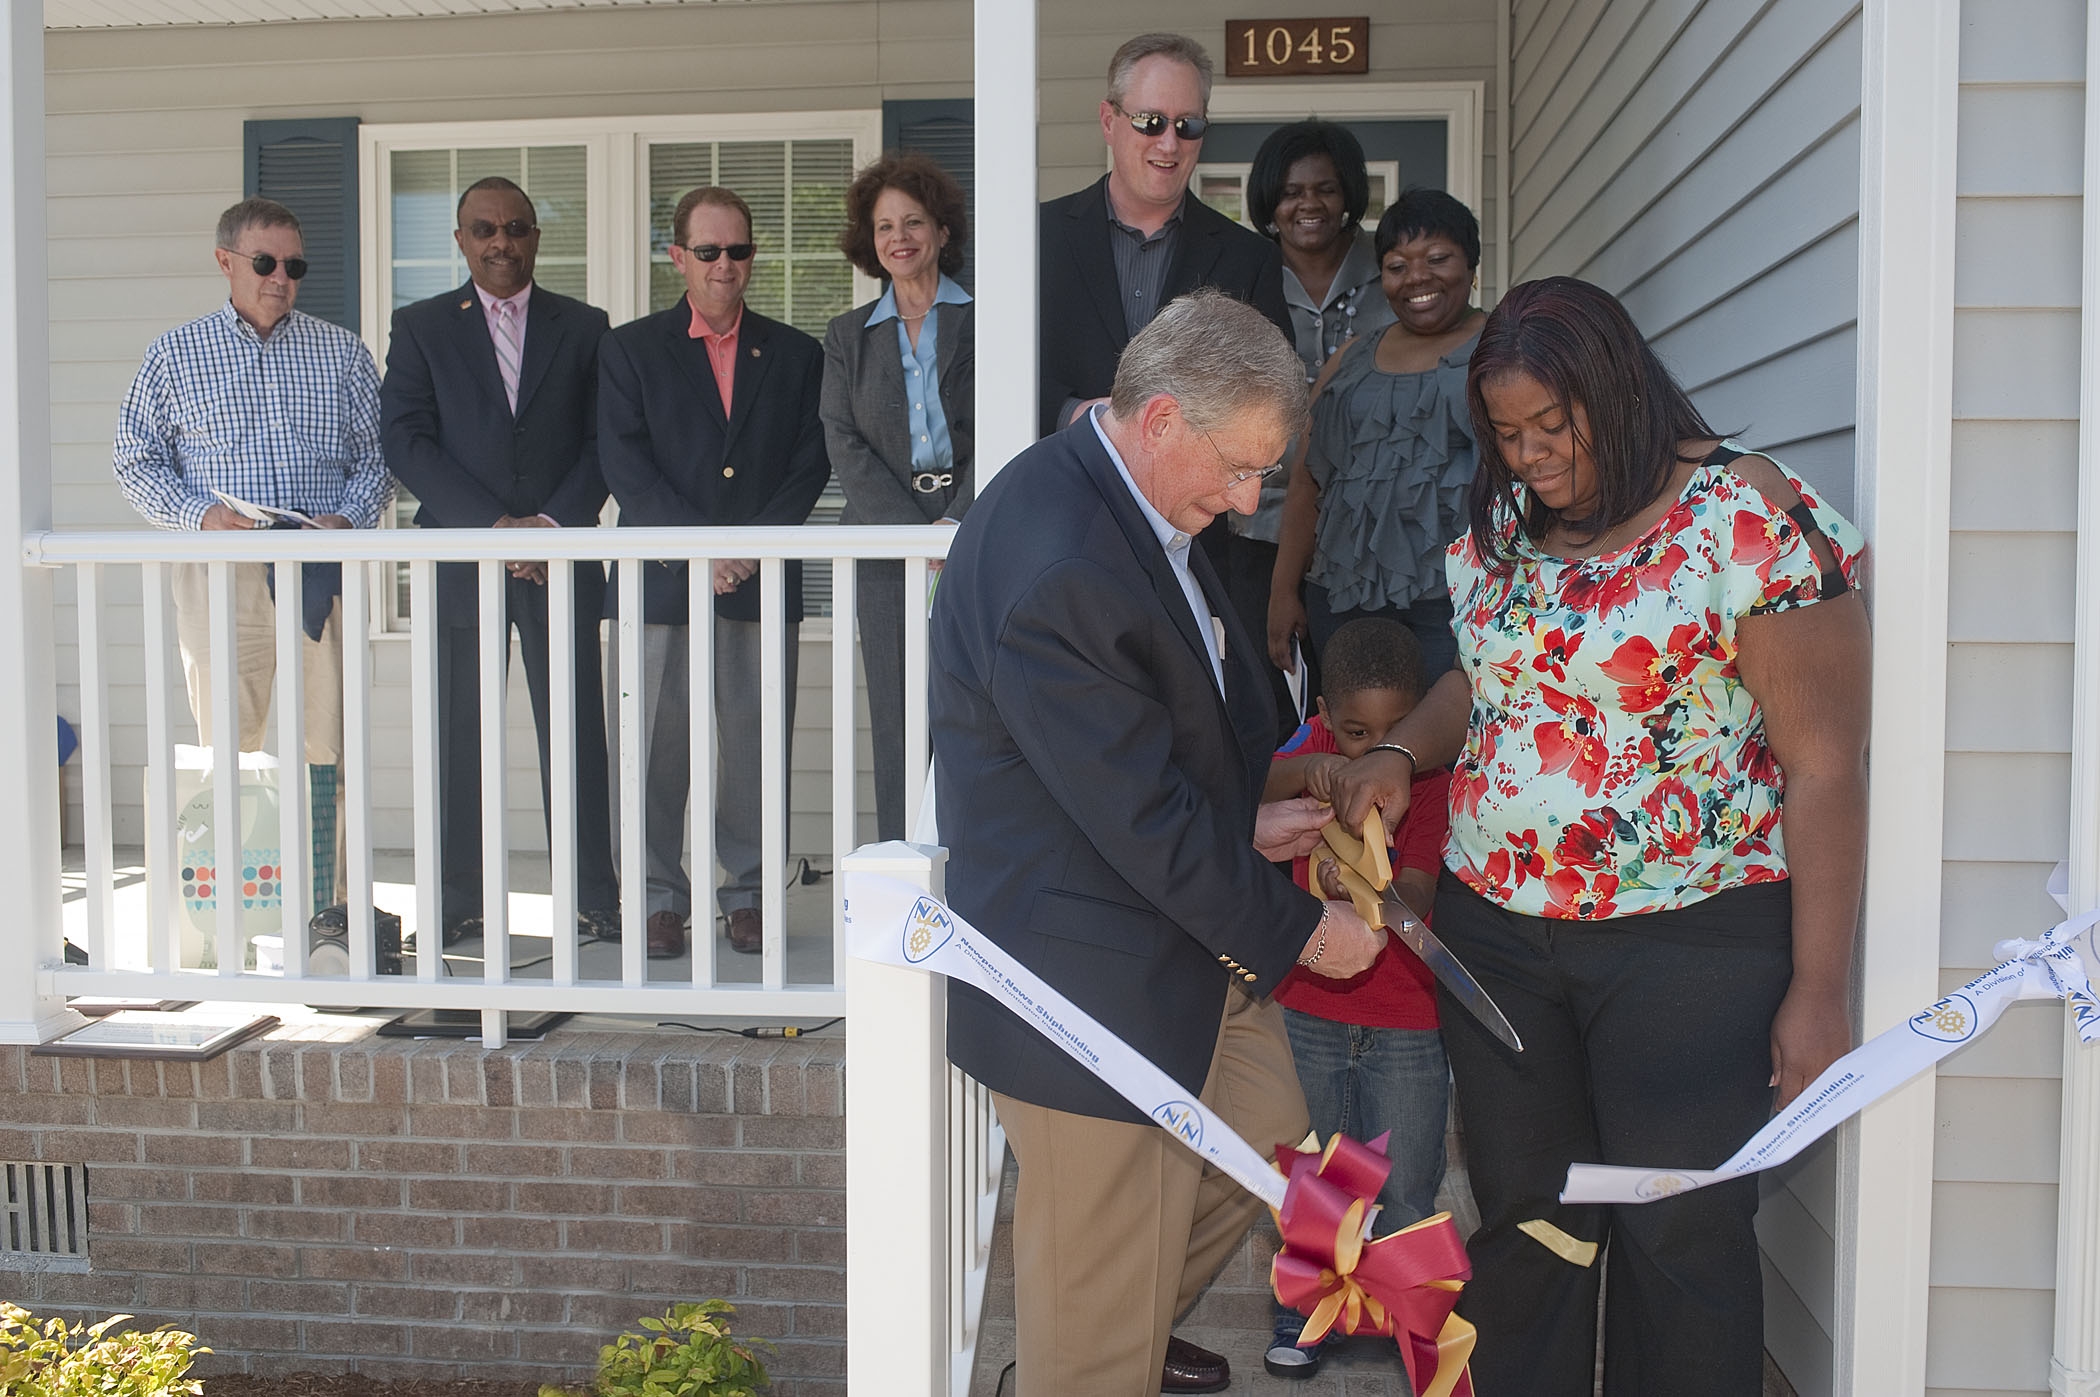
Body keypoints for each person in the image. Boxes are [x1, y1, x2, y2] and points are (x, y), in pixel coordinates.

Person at [1326, 276, 1870, 1396]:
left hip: (1691, 943)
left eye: (1552, 426)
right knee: (1532, 1219)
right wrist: (1401, 753)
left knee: (1681, 1227)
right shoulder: (1508, 535)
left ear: (1616, 393)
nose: (1530, 456)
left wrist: (1819, 986)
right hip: (1502, 941)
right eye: (1508, 434)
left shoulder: (1744, 515)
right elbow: (1480, 687)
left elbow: (1825, 765)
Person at [933, 289, 1388, 1397]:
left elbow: (1136, 751)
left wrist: (1249, 813)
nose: (1245, 499)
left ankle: (1096, 1337)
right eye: (1237, 469)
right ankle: (1083, 1357)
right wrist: (1300, 931)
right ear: (1163, 419)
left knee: (1272, 1142)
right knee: (1098, 1304)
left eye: (1263, 477)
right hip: (1088, 976)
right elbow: (1136, 815)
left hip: (1162, 932)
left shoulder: (1130, 499)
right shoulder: (1064, 562)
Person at [113, 196, 393, 910]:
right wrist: (201, 515)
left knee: (321, 747)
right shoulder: (175, 353)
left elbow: (382, 457)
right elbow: (133, 458)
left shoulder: (341, 352)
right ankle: (235, 909)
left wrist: (346, 518)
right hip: (221, 571)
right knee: (229, 745)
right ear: (225, 262)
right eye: (264, 262)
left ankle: (322, 908)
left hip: (317, 567)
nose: (280, 278)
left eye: (293, 265)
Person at [380, 175, 621, 948]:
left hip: (561, 553)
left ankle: (594, 896)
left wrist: (547, 524)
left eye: (516, 227)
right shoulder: (420, 327)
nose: (501, 242)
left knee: (577, 729)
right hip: (461, 557)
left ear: (535, 237)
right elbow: (406, 437)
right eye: (484, 229)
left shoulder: (585, 327)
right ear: (461, 240)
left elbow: (603, 440)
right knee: (460, 734)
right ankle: (458, 901)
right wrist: (493, 527)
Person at [598, 186, 829, 959]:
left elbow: (809, 463)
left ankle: (752, 894)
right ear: (678, 257)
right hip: (660, 583)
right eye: (708, 251)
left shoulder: (796, 354)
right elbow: (625, 464)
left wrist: (748, 549)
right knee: (653, 750)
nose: (724, 265)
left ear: (751, 257)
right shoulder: (630, 349)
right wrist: (704, 548)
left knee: (754, 750)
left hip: (759, 582)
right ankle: (660, 899)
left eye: (737, 250)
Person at [1255, 616, 1450, 1381]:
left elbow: (1422, 884)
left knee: (1406, 1180)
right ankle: (1306, 1313)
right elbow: (1253, 784)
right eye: (1355, 730)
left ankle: (1413, 1322)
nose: (1371, 749)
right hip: (1310, 1010)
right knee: (1318, 1174)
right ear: (1326, 715)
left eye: (1395, 732)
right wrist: (1311, 774)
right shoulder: (1313, 754)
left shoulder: (1427, 782)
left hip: (1407, 1019)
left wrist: (1371, 887)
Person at [1269, 188, 1487, 683]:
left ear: (1471, 265)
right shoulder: (1350, 360)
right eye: (1397, 265)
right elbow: (1307, 480)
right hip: (1346, 600)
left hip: (1460, 604)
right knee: (1354, 745)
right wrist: (1283, 592)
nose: (1417, 278)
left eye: (1437, 259)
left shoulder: (1503, 348)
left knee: (1450, 748)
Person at [822, 152, 974, 842]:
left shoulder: (987, 321)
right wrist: (914, 535)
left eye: (913, 221)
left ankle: (972, 861)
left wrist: (954, 522)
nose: (899, 238)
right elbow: (843, 441)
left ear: (941, 230)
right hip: (884, 552)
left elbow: (1009, 425)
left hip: (972, 534)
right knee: (897, 714)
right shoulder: (847, 337)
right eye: (885, 226)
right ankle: (906, 873)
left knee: (973, 707)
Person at [1037, 32, 1293, 440]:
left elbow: (1273, 395)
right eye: (1150, 122)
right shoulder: (1036, 238)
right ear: (1108, 121)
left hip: (1192, 500)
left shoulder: (1249, 258)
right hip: (1056, 488)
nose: (1169, 143)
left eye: (1187, 124)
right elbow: (973, 368)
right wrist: (1072, 413)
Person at [1235, 119, 1398, 740]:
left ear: (1349, 193)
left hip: (1362, 528)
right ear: (1270, 203)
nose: (1309, 204)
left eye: (1325, 189)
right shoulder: (1248, 274)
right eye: (1292, 191)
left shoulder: (1393, 272)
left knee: (1354, 696)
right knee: (1261, 686)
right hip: (1255, 518)